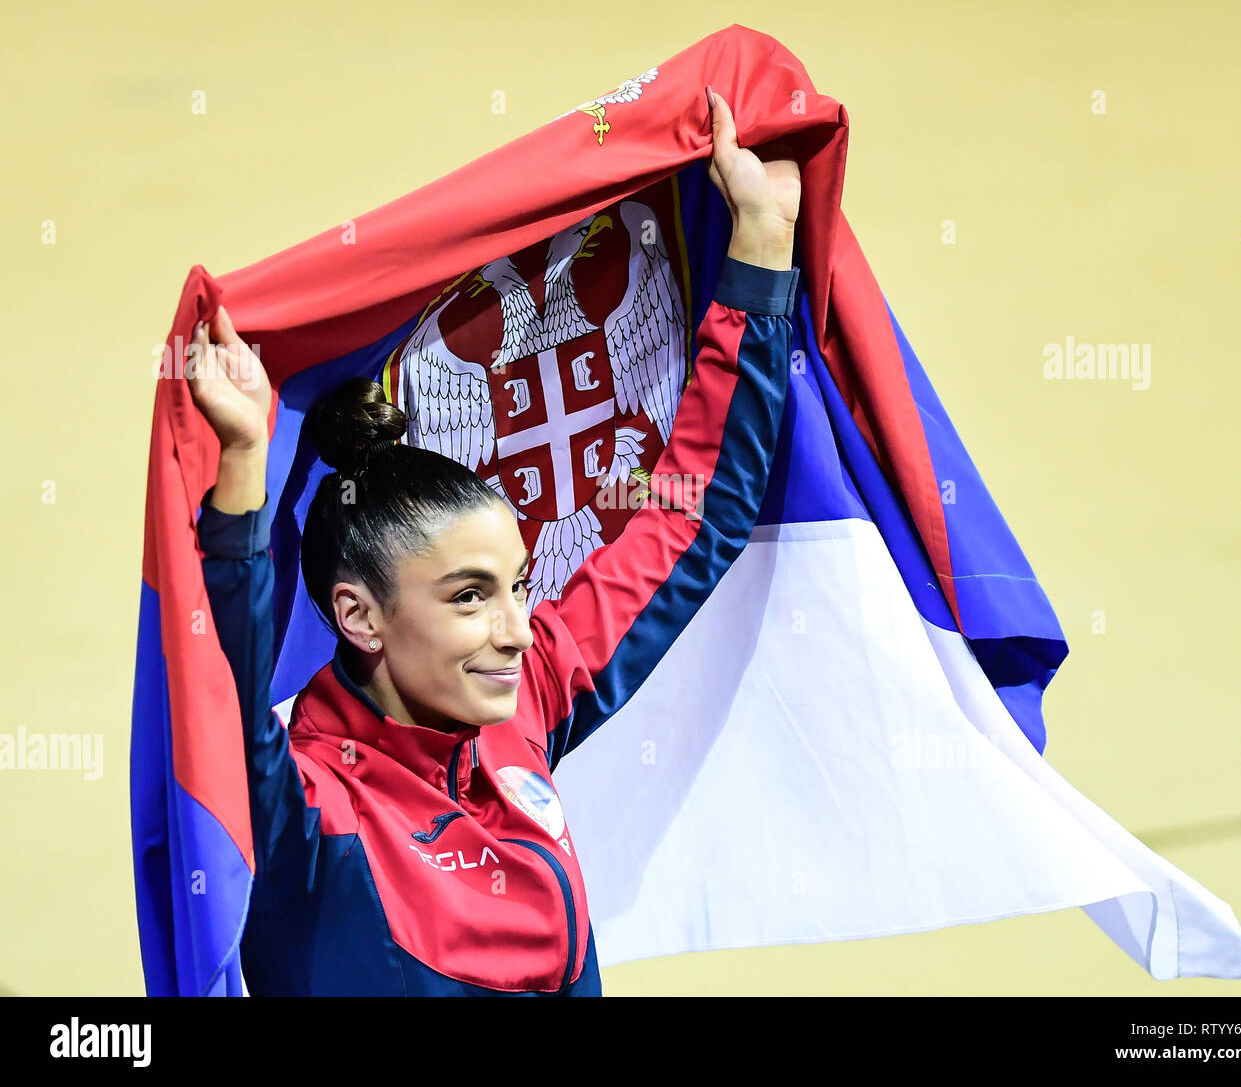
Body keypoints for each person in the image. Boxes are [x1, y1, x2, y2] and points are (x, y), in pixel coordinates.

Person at [188, 85, 802, 996]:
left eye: (516, 585)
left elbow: (688, 518)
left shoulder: (525, 705)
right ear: (359, 616)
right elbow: (221, 704)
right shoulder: (307, 813)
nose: (518, 627)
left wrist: (759, 243)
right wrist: (241, 467)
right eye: (470, 596)